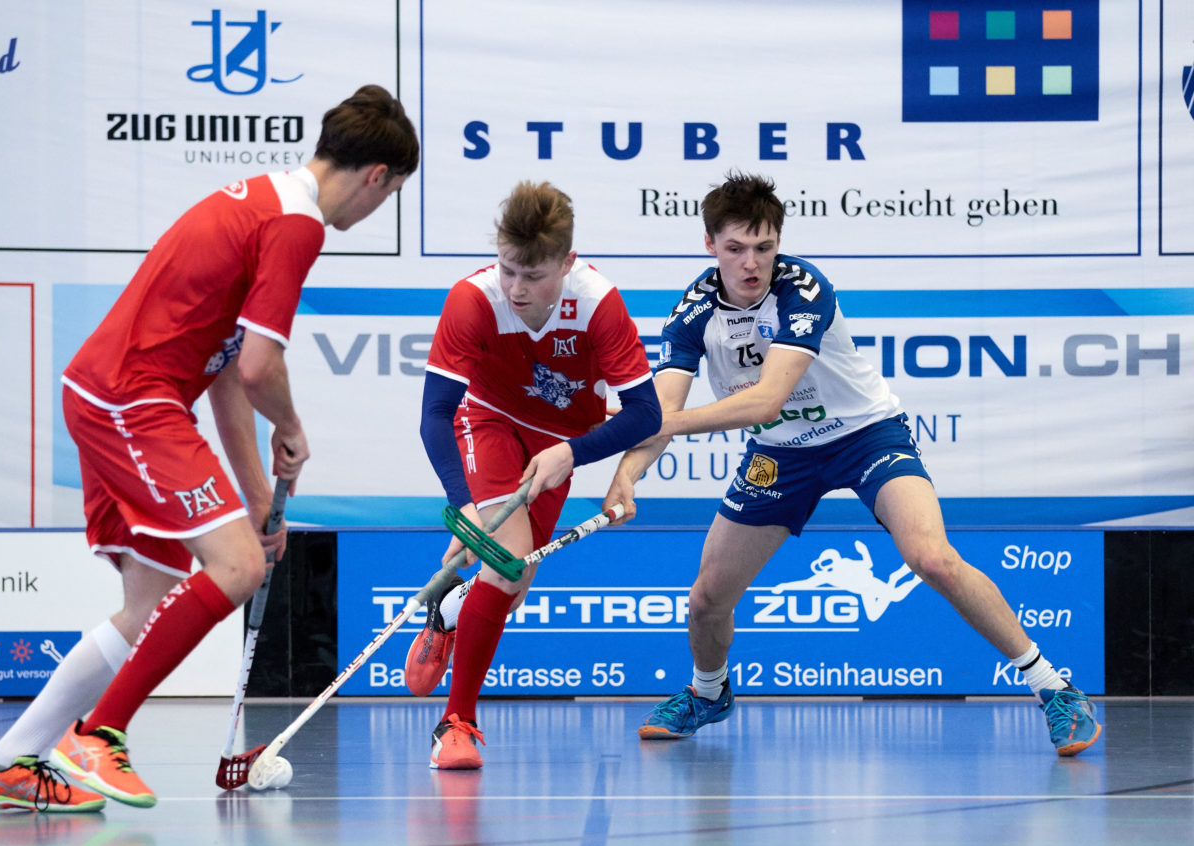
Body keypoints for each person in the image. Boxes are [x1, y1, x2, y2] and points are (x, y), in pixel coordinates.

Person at [0, 84, 419, 812]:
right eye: (390, 195)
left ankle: (9, 759)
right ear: (377, 177)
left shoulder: (262, 204)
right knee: (235, 564)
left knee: (145, 609)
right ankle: (100, 735)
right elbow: (259, 367)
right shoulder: (297, 224)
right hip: (129, 398)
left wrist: (258, 492)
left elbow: (226, 375)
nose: (377, 210)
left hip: (109, 392)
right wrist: (293, 428)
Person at [605, 171, 1101, 757]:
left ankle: (1055, 688)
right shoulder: (692, 313)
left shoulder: (803, 289)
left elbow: (761, 399)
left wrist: (657, 423)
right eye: (735, 248)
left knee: (933, 558)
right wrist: (626, 475)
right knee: (707, 597)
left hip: (864, 435)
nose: (751, 263)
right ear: (709, 244)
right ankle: (708, 692)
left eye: (764, 247)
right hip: (780, 454)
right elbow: (665, 406)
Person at [404, 180, 661, 770]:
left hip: (558, 445)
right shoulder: (474, 299)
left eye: (534, 275)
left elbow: (647, 413)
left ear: (567, 263)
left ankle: (446, 615)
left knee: (513, 587)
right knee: (508, 561)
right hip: (490, 421)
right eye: (508, 270)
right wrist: (464, 504)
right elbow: (435, 414)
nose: (517, 289)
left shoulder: (598, 302)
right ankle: (456, 723)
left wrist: (572, 453)